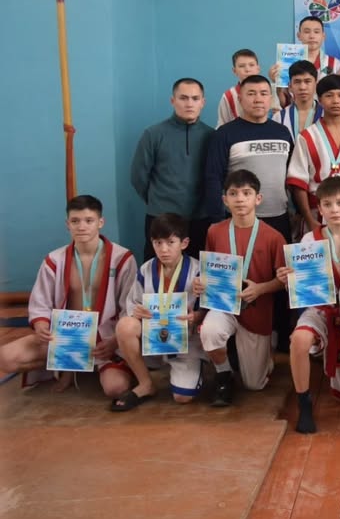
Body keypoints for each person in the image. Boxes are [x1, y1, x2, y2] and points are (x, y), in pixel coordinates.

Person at [0, 195, 136, 397]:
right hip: (66, 338)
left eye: (89, 220)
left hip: (105, 339)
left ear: (100, 222)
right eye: (75, 221)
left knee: (116, 388)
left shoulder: (122, 258)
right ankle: (67, 365)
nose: (82, 227)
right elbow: (40, 303)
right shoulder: (54, 260)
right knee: (6, 357)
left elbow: (130, 306)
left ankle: (96, 366)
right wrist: (41, 325)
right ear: (67, 224)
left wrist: (115, 340)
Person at [194, 170, 287, 406]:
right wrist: (200, 283)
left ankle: (265, 353)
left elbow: (284, 281)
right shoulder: (214, 231)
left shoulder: (274, 237)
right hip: (224, 306)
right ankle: (223, 374)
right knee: (209, 331)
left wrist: (260, 289)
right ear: (224, 200)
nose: (240, 199)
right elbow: (209, 271)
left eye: (247, 193)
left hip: (256, 311)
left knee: (254, 385)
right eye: (233, 194)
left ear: (258, 198)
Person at [289, 177, 340, 433]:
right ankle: (304, 402)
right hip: (321, 309)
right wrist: (289, 278)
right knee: (299, 340)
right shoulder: (309, 240)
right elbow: (303, 286)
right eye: (327, 204)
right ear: (319, 209)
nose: (334, 209)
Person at [111, 213, 205, 411]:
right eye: (158, 243)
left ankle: (195, 370)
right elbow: (132, 305)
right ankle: (145, 383)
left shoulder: (198, 271)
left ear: (184, 243)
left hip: (186, 343)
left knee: (182, 397)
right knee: (125, 326)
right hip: (152, 340)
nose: (163, 249)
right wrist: (136, 312)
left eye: (170, 242)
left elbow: (209, 311)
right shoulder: (146, 269)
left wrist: (197, 316)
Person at [130, 77, 214, 260]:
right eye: (183, 98)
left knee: (198, 272)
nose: (189, 103)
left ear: (203, 102)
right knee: (156, 270)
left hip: (200, 219)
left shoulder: (212, 136)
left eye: (195, 98)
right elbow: (138, 177)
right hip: (161, 218)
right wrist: (158, 201)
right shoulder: (153, 134)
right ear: (172, 100)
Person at [203, 74, 294, 239]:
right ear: (240, 99)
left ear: (271, 98)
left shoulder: (282, 132)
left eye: (263, 94)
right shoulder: (224, 134)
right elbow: (213, 178)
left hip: (279, 216)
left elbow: (291, 175)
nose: (258, 99)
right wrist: (217, 219)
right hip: (239, 219)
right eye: (251, 94)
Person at [285, 74, 340, 234]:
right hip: (316, 212)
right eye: (329, 96)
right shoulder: (307, 136)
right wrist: (309, 219)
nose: (335, 101)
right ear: (319, 100)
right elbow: (298, 183)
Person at [269, 15, 340, 91]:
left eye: (316, 32)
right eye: (307, 32)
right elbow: (285, 95)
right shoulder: (286, 63)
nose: (312, 36)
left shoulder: (334, 63)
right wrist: (277, 82)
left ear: (323, 36)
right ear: (299, 36)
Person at [273, 61, 322, 139]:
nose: (302, 87)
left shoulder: (326, 114)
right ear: (290, 86)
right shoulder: (279, 117)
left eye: (307, 81)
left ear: (316, 85)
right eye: (297, 82)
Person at [216, 49, 260, 128]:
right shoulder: (229, 96)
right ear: (234, 71)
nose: (247, 69)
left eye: (251, 65)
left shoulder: (269, 93)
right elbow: (222, 125)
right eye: (242, 66)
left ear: (258, 68)